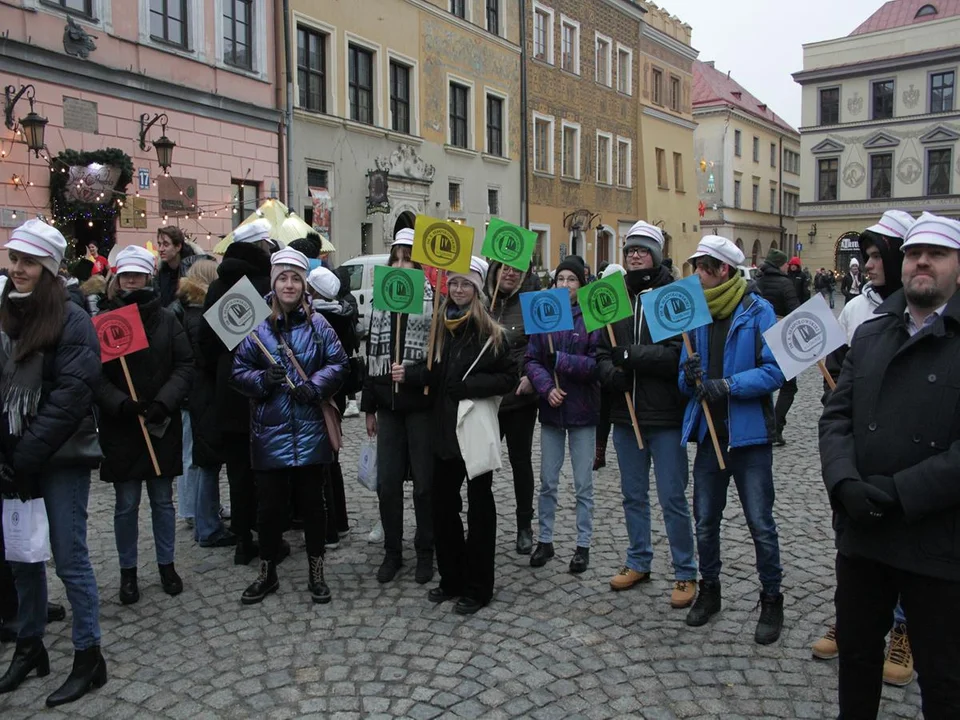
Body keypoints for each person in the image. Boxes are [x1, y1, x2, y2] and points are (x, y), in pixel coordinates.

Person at [819, 212, 960, 718]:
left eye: (938, 254)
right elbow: (836, 418)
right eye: (915, 253)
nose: (923, 262)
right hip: (863, 533)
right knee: (856, 658)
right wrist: (843, 482)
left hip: (937, 541)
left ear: (958, 267)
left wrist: (902, 492)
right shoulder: (872, 333)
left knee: (944, 678)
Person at [0, 220, 106, 707]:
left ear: (49, 268)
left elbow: (71, 396)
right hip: (14, 454)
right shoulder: (7, 312)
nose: (17, 269)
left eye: (28, 262)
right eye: (14, 260)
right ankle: (30, 645)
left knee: (69, 557)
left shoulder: (72, 317)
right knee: (23, 556)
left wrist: (26, 453)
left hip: (58, 455)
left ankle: (89, 656)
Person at [811, 209, 915, 687]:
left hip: (905, 458)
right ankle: (850, 619)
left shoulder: (925, 313)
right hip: (857, 454)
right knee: (851, 549)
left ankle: (903, 629)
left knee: (907, 551)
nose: (866, 264)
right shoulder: (856, 308)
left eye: (876, 256)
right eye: (866, 255)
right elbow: (838, 367)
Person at [678, 235, 786, 644]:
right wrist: (688, 378)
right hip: (710, 436)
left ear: (722, 269)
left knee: (761, 523)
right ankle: (710, 591)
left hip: (750, 437)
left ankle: (772, 599)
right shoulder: (695, 315)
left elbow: (776, 370)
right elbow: (684, 377)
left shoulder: (759, 311)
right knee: (705, 521)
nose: (696, 276)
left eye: (702, 268)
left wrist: (728, 385)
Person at [231, 247, 348, 605]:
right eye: (283, 277)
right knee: (269, 510)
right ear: (273, 281)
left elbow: (339, 362)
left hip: (311, 430)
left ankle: (316, 572)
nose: (289, 285)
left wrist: (316, 386)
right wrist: (263, 379)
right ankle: (267, 573)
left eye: (295, 278)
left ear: (304, 284)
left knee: (314, 506)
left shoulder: (318, 324)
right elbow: (238, 372)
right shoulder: (255, 326)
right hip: (270, 432)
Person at [596, 222, 697, 608]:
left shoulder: (674, 294)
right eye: (629, 251)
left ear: (655, 254)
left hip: (665, 416)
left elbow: (679, 355)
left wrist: (630, 357)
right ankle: (639, 559)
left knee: (673, 497)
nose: (634, 255)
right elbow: (602, 353)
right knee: (632, 496)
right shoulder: (613, 297)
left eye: (641, 250)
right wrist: (610, 374)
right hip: (626, 416)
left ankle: (686, 572)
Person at [407, 257, 515, 615]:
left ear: (478, 289)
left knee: (480, 509)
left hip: (472, 430)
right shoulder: (441, 326)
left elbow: (507, 378)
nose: (458, 290)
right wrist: (409, 375)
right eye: (453, 283)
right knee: (443, 507)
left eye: (466, 284)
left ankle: (479, 586)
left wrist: (471, 386)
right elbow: (435, 376)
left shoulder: (491, 332)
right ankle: (451, 577)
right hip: (443, 429)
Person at [97, 245, 193, 605]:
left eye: (138, 274)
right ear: (118, 277)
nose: (132, 280)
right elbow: (94, 375)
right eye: (126, 275)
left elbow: (185, 364)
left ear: (148, 276)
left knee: (162, 501)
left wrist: (164, 401)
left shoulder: (168, 319)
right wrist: (121, 404)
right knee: (126, 503)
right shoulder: (106, 319)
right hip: (122, 425)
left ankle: (166, 564)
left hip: (160, 421)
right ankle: (128, 572)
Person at [361, 229, 436, 583]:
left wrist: (414, 373)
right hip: (389, 408)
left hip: (420, 407)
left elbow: (438, 364)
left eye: (409, 258)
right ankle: (393, 552)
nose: (402, 264)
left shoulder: (431, 302)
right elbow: (369, 358)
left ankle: (425, 551)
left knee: (423, 485)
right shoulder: (380, 301)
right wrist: (369, 406)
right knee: (387, 484)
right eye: (397, 258)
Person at [199, 220, 274, 565]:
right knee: (265, 471)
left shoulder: (217, 287)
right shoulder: (263, 285)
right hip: (262, 388)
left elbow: (205, 345)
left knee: (238, 472)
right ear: (262, 248)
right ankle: (268, 537)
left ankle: (243, 540)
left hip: (228, 390)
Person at [525, 256, 600, 574]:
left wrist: (563, 361)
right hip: (552, 412)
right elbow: (531, 359)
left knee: (583, 484)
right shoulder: (544, 313)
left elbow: (597, 363)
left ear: (581, 284)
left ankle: (583, 545)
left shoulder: (592, 316)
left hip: (583, 410)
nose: (565, 285)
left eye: (572, 279)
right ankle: (545, 539)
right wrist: (546, 388)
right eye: (560, 279)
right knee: (547, 481)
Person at [174, 259, 236, 548]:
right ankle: (207, 526)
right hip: (204, 393)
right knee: (206, 461)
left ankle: (204, 517)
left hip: (196, 393)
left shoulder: (187, 309)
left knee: (202, 458)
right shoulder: (200, 314)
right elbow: (206, 358)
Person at [485, 257, 540, 554]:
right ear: (495, 270)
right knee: (483, 465)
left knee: (521, 463)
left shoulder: (531, 303)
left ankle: (524, 525)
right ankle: (484, 523)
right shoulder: (482, 302)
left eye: (515, 268)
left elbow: (538, 345)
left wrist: (530, 376)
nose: (509, 272)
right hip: (488, 398)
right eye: (504, 267)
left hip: (520, 397)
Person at [307, 263, 358, 550]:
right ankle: (339, 522)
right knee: (332, 458)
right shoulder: (344, 312)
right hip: (336, 391)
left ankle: (329, 529)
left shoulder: (319, 320)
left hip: (320, 392)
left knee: (323, 460)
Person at [753, 248, 800, 447]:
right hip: (781, 339)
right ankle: (776, 427)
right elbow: (795, 313)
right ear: (780, 264)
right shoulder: (785, 283)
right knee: (789, 386)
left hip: (757, 339)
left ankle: (760, 426)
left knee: (762, 383)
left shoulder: (757, 282)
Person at [594, 262, 626, 470]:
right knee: (602, 412)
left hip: (624, 363)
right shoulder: (599, 300)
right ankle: (599, 451)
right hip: (605, 367)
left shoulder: (628, 303)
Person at [155, 226, 201, 307]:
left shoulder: (194, 272)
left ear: (178, 247)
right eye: (159, 244)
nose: (160, 249)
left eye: (166, 244)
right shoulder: (161, 274)